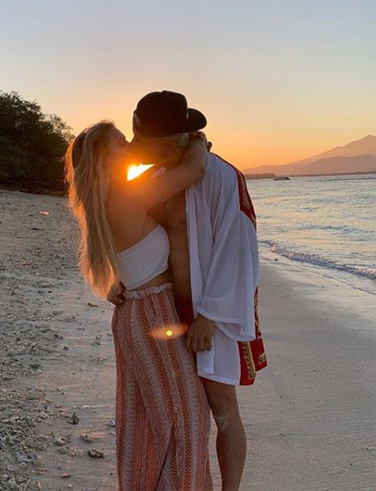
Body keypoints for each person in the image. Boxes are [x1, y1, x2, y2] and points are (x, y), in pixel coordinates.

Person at [108, 91, 268, 491]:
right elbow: (129, 233)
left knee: (222, 413)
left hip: (206, 317)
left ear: (170, 142)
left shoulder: (220, 176)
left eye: (140, 142)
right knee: (173, 413)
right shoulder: (160, 177)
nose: (134, 150)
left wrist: (210, 316)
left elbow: (239, 248)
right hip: (165, 314)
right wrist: (120, 277)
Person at [64, 120, 213, 491]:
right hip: (152, 316)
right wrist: (197, 139)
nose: (130, 144)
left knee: (144, 423)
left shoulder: (107, 199)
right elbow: (194, 169)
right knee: (187, 418)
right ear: (104, 158)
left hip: (133, 314)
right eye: (120, 142)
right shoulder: (128, 195)